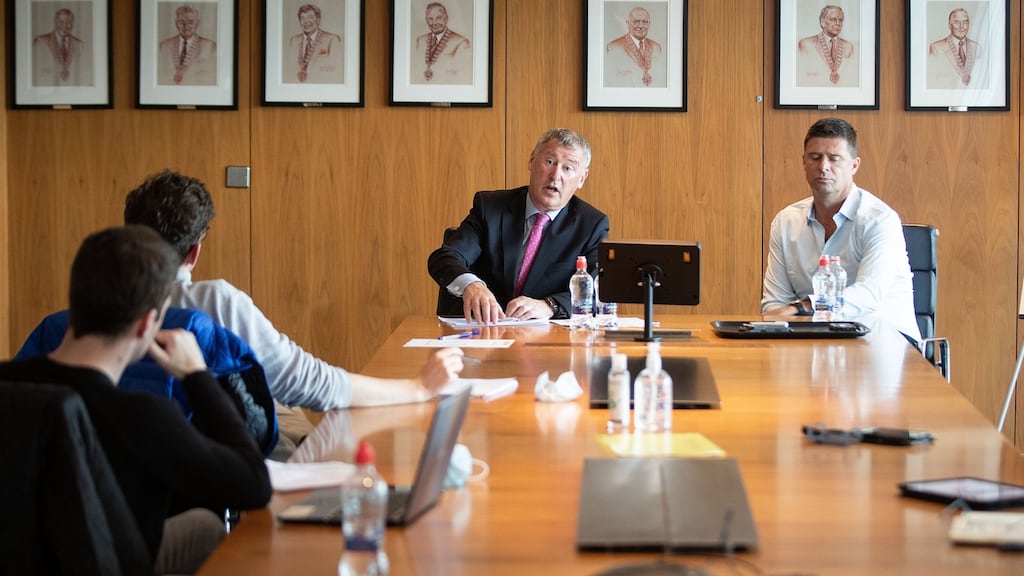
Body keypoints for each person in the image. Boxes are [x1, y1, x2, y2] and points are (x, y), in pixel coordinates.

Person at [0, 226, 271, 574]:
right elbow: (253, 484)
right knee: (207, 526)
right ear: (147, 324)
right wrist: (197, 375)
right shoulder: (144, 416)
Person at [124, 170, 465, 447]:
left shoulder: (94, 304)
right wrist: (417, 387)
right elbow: (306, 382)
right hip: (216, 459)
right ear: (195, 251)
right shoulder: (214, 301)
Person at [428, 128, 610, 325]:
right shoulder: (490, 207)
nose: (555, 175)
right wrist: (471, 284)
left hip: (548, 341)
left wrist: (550, 305)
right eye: (549, 162)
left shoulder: (591, 224)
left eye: (568, 168)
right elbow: (444, 257)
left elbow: (598, 289)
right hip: (483, 333)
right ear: (532, 161)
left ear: (582, 178)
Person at [761, 118, 920, 343]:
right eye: (815, 157)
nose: (823, 166)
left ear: (854, 165)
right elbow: (774, 305)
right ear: (803, 161)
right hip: (814, 342)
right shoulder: (785, 222)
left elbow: (869, 295)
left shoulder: (880, 220)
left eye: (834, 158)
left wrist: (805, 307)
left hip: (884, 341)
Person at [412, 2, 472, 85]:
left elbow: (463, 77)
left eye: (438, 18)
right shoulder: (420, 41)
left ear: (446, 19)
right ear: (426, 20)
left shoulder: (461, 42)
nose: (434, 23)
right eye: (431, 19)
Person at [796, 5, 857, 87]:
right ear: (822, 22)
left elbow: (852, 77)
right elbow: (801, 77)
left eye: (841, 20)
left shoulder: (848, 46)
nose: (838, 23)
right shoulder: (806, 44)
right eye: (833, 19)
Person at [604, 6, 664, 87]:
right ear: (628, 23)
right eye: (636, 21)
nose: (641, 26)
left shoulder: (656, 47)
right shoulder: (614, 47)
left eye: (645, 22)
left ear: (649, 24)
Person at [158, 4, 217, 86]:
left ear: (197, 23)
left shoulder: (211, 47)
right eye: (182, 22)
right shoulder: (164, 46)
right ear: (176, 23)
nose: (186, 26)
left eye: (190, 22)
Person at [284, 3, 344, 84]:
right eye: (302, 18)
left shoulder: (332, 39)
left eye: (310, 17)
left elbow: (336, 71)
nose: (306, 21)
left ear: (318, 20)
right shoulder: (293, 40)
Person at [32, 8, 91, 86]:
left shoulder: (79, 44)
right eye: (61, 22)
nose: (65, 26)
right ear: (56, 23)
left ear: (73, 23)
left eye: (69, 22)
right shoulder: (40, 42)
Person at [928, 8, 982, 89]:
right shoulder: (936, 48)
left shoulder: (977, 47)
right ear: (949, 25)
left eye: (965, 22)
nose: (962, 26)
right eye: (957, 22)